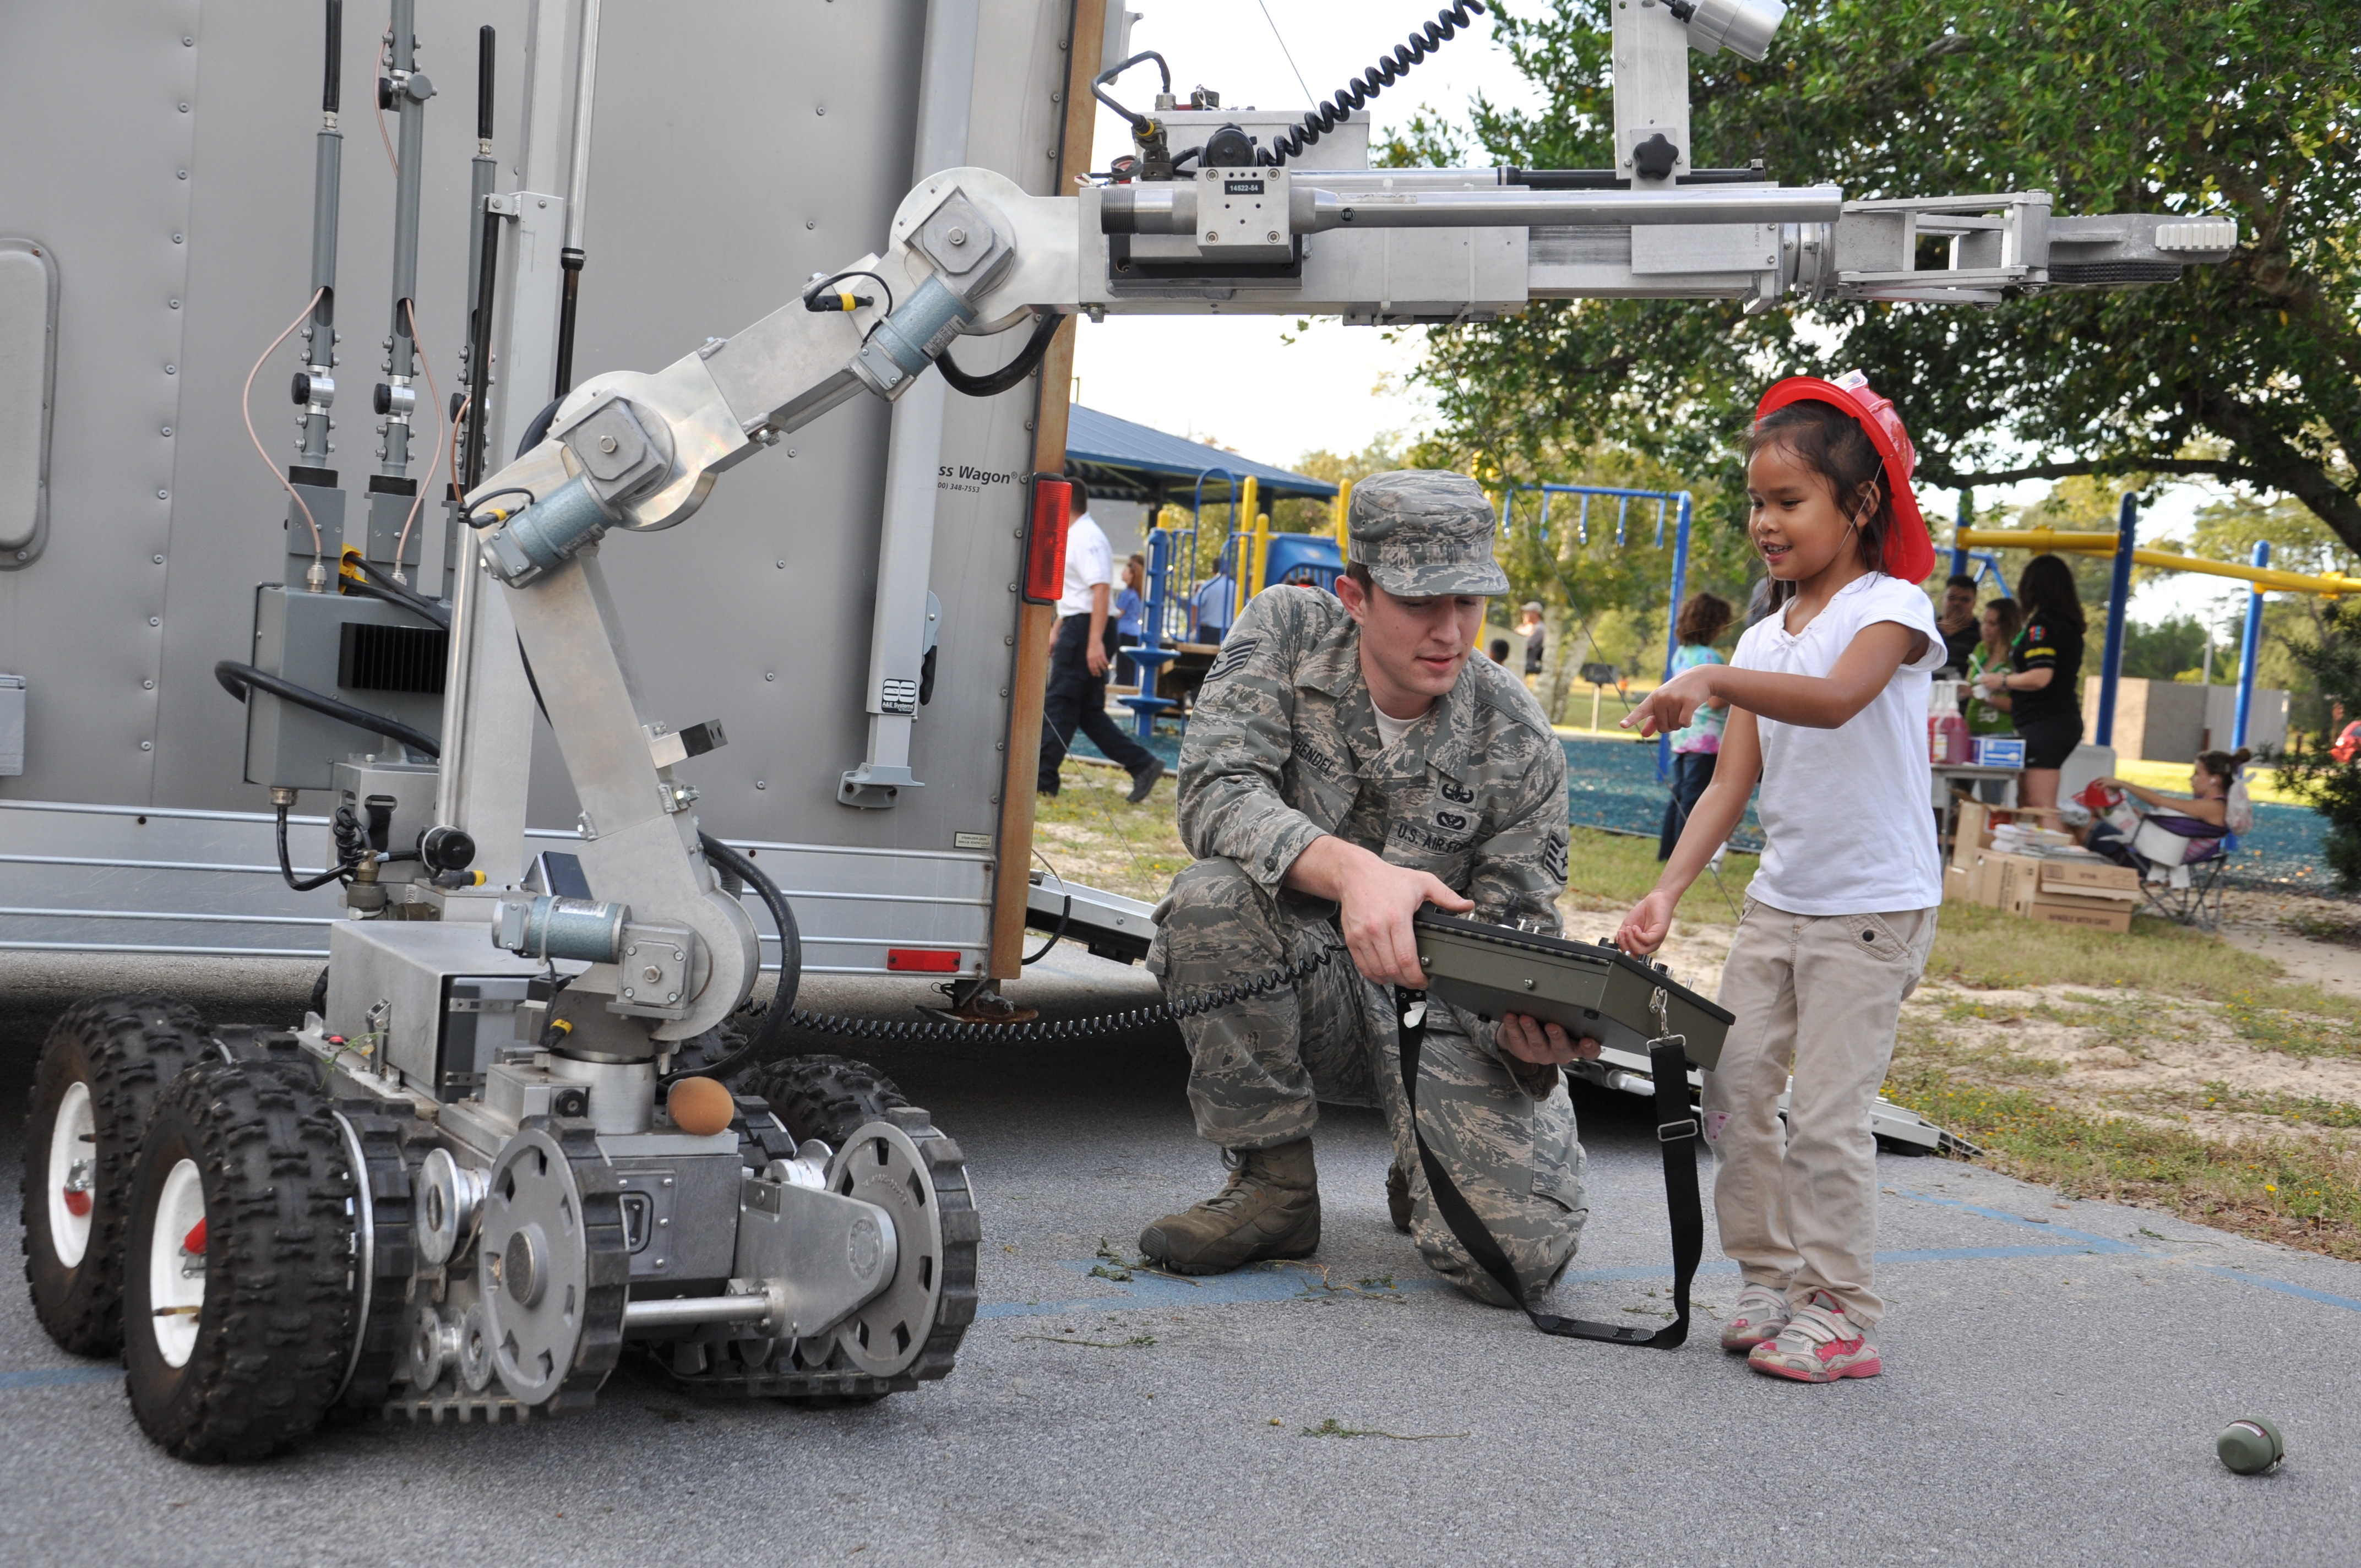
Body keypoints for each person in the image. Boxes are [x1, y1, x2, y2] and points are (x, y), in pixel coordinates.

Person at [1138, 470, 1593, 1308]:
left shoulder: (1518, 738)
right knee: (1209, 901)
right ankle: (1274, 1187)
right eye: (1420, 603)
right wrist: (1354, 872)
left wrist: (1525, 1035)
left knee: (1513, 1265)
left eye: (1469, 601)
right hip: (1308, 977)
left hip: (1442, 1010)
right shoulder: (1286, 630)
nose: (1449, 631)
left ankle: (1424, 1155)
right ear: (1355, 596)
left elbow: (1518, 930)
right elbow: (1215, 790)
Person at [1616, 372, 1945, 1385]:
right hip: (1778, 904)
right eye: (1756, 501)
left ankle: (1842, 1308)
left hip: (1872, 908)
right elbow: (1730, 784)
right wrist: (1668, 889)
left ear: (1861, 502)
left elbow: (1839, 698)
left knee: (1830, 1113)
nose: (1765, 521)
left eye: (1789, 500)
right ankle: (1768, 1278)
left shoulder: (1892, 610)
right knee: (1734, 1088)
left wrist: (1710, 677)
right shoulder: (1763, 638)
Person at [1037, 478, 1166, 803]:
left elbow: (1101, 590)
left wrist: (1093, 641)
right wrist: (1058, 628)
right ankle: (1143, 764)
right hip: (1082, 625)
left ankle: (1042, 780)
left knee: (1059, 701)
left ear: (1065, 503)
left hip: (1087, 629)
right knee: (1088, 712)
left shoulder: (1087, 538)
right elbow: (1079, 593)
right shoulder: (1078, 535)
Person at [1974, 554, 2086, 809]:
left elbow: (2040, 676)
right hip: (2049, 722)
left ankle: (2061, 836)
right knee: (2025, 803)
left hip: (2047, 722)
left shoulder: (2042, 628)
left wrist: (2002, 680)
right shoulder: (2066, 625)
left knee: (2038, 805)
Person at [1658, 591, 1734, 860]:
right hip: (1707, 739)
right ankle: (1686, 856)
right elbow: (1715, 703)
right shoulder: (1711, 657)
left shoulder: (1682, 654)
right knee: (1695, 800)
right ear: (1714, 624)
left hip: (1682, 735)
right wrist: (1738, 689)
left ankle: (1667, 852)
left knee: (1679, 795)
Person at [2082, 747, 2250, 865]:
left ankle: (2076, 885)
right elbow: (2181, 827)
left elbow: (2159, 801)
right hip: (2154, 853)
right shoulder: (2216, 806)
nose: (2191, 779)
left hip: (2151, 861)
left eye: (2197, 774)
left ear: (2215, 779)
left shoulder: (2212, 807)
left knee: (2081, 822)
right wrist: (2146, 819)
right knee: (2085, 817)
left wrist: (2122, 783)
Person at [1961, 597, 2021, 736]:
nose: (1985, 628)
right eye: (1984, 622)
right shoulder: (1981, 649)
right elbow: (1968, 684)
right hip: (1972, 728)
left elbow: (2018, 705)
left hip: (2002, 731)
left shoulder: (2017, 656)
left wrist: (1983, 697)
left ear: (2007, 627)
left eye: (1992, 624)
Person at [1936, 572, 1981, 674]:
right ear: (1943, 599)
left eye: (1964, 600)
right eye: (1952, 598)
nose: (1957, 603)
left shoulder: (1982, 636)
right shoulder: (1926, 630)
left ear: (1974, 603)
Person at [1113, 553, 1147, 684]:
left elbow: (1119, 613)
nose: (1122, 573)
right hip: (1135, 632)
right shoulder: (1138, 593)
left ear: (1132, 575)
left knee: (1123, 667)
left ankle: (1123, 690)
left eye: (1125, 571)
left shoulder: (1127, 594)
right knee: (1131, 667)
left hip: (1125, 633)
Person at [1517, 601, 1548, 692]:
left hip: (1526, 661)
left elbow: (1526, 646)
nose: (1525, 615)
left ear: (1536, 613)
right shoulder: (1524, 626)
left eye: (1528, 612)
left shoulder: (1539, 629)